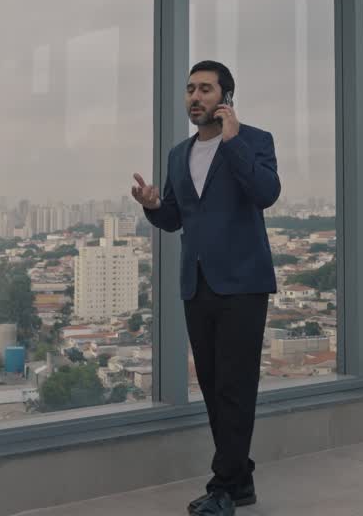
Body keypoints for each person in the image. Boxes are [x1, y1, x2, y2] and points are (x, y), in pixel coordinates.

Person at [132, 60, 280, 516]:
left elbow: (266, 193)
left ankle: (223, 488)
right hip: (197, 285)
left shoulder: (254, 141)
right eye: (190, 89)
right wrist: (154, 206)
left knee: (236, 386)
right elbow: (177, 218)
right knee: (216, 387)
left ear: (226, 97)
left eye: (206, 89)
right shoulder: (179, 154)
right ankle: (241, 481)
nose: (195, 97)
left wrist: (233, 144)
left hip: (243, 283)